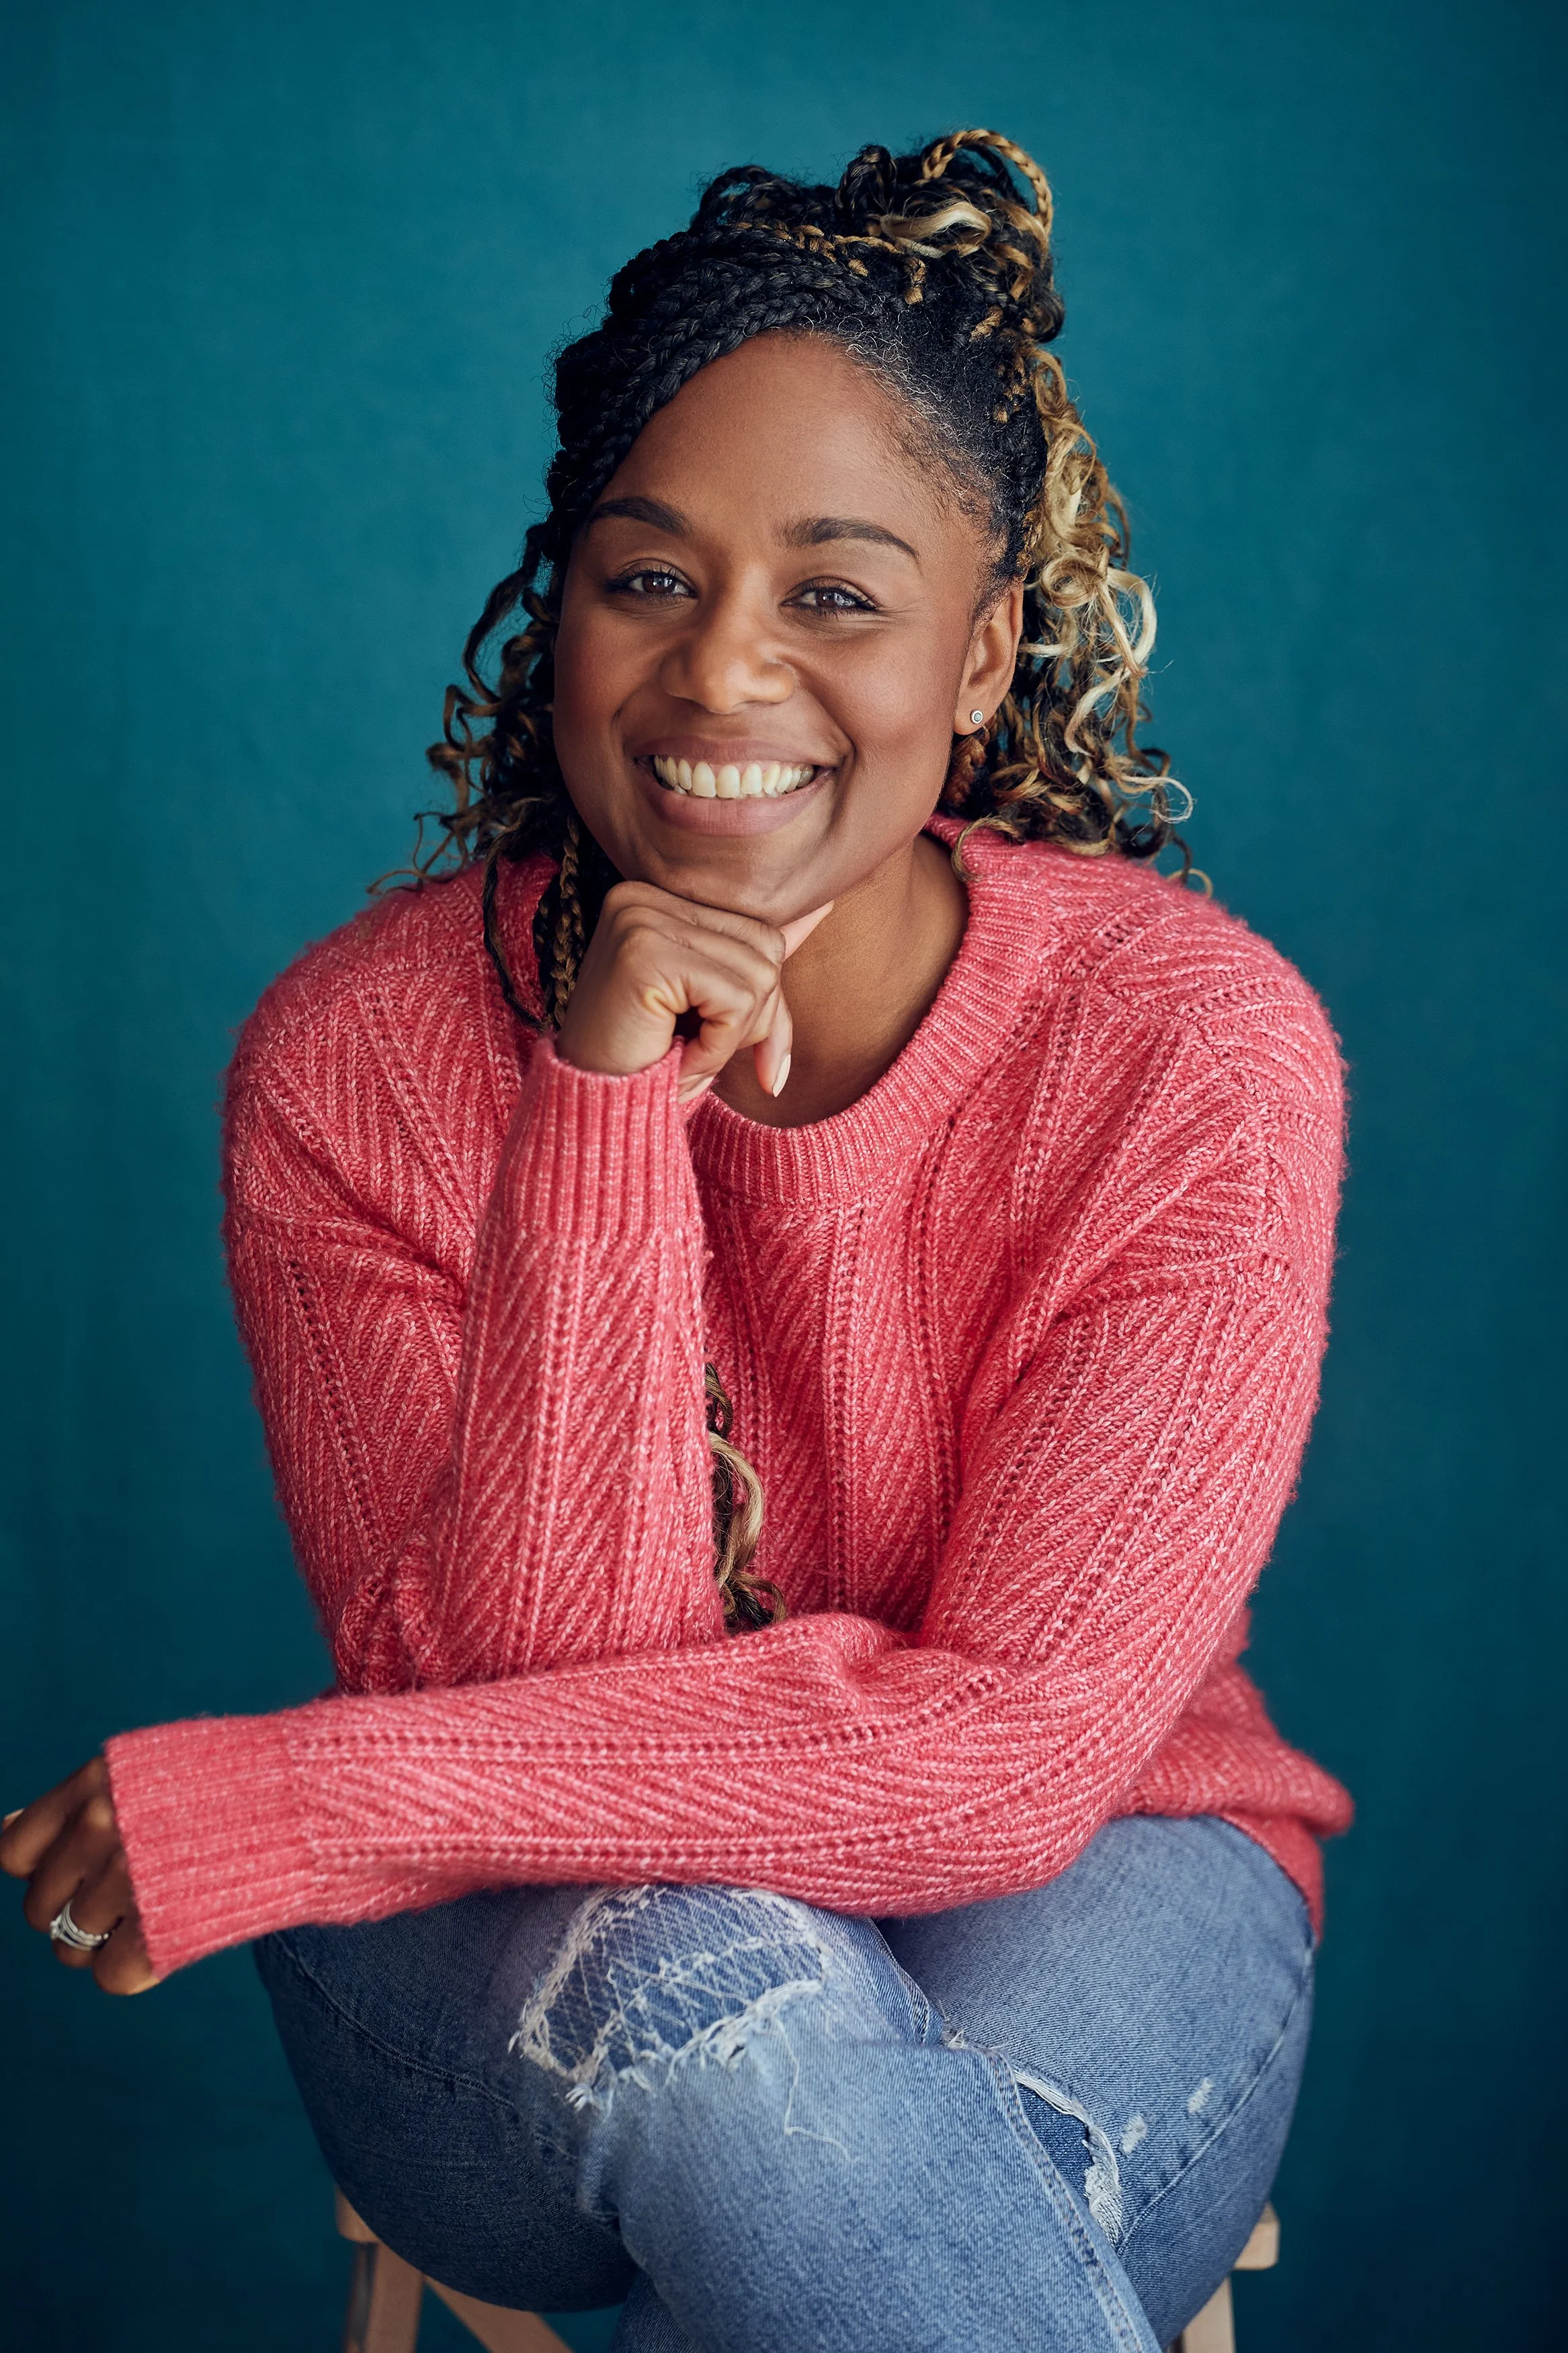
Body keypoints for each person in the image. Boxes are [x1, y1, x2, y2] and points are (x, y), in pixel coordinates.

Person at [2, 130, 1352, 2351]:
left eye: (835, 591)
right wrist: (602, 1099)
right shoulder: (349, 1065)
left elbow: (1015, 1753)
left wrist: (287, 1792)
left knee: (909, 2168)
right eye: (648, 580)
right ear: (561, 609)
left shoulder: (1188, 1046)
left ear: (985, 640)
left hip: (1097, 1855)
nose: (722, 676)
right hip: (521, 1936)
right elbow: (540, 1688)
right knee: (715, 1976)